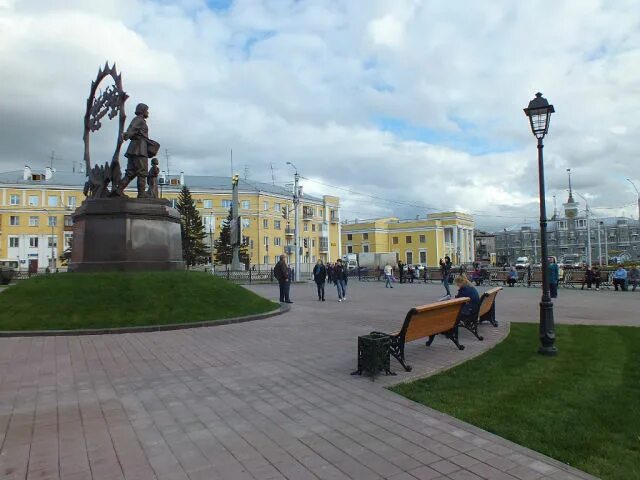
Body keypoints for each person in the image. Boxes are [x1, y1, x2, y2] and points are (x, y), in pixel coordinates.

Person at [114, 103, 160, 198]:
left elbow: (132, 130)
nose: (148, 112)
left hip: (134, 149)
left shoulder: (139, 120)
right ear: (142, 111)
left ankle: (118, 190)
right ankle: (141, 194)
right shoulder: (139, 120)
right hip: (140, 149)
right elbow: (132, 129)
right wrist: (125, 135)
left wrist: (126, 135)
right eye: (146, 110)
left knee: (131, 172)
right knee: (142, 172)